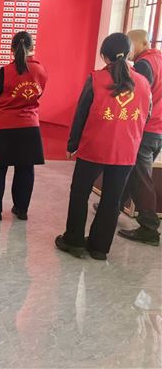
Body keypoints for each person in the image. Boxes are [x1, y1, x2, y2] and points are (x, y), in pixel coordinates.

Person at [56, 33, 151, 261]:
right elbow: (146, 115)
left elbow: (81, 114)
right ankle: (99, 248)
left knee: (80, 193)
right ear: (128, 53)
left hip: (94, 147)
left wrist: (72, 144)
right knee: (113, 198)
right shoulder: (143, 82)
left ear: (104, 55)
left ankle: (74, 241)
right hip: (126, 151)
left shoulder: (96, 79)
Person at [0, 32, 48, 221]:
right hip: (30, 125)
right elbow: (39, 94)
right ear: (32, 47)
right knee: (25, 169)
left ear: (12, 49)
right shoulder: (41, 70)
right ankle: (21, 209)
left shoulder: (5, 71)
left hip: (4, 125)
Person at [117, 30, 162, 246]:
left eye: (130, 46)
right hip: (158, 130)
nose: (129, 52)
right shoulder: (159, 59)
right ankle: (115, 204)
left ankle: (149, 227)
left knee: (141, 178)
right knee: (134, 172)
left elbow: (139, 97)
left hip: (146, 129)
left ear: (140, 44)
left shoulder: (144, 64)